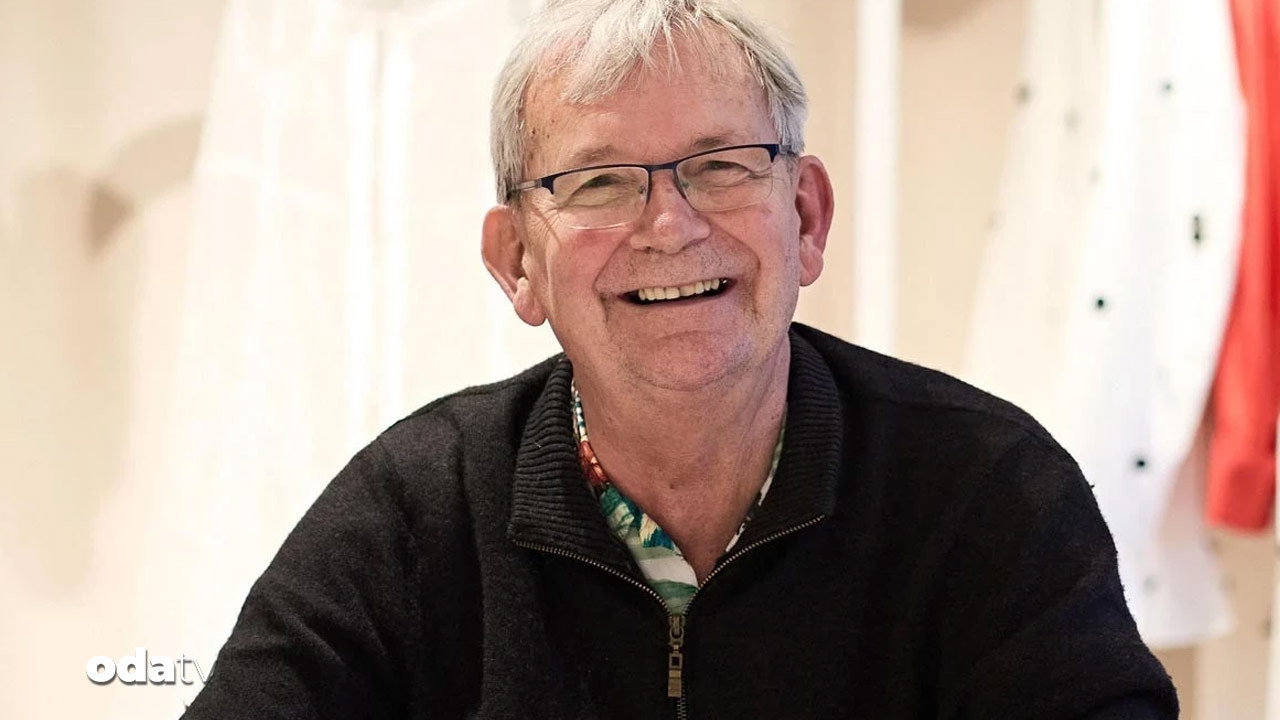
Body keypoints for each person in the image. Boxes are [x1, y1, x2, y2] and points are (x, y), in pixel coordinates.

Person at [181, 0, 1178, 717]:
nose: (670, 224)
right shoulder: (415, 508)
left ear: (805, 217)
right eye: (599, 182)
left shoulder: (986, 490)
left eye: (720, 166)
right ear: (516, 262)